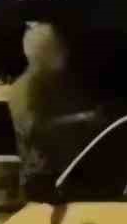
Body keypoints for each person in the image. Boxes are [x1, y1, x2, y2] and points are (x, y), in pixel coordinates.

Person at [8, 22, 99, 203]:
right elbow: (31, 128)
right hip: (43, 178)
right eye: (56, 46)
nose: (63, 51)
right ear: (44, 51)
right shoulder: (25, 87)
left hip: (66, 172)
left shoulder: (59, 84)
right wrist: (80, 119)